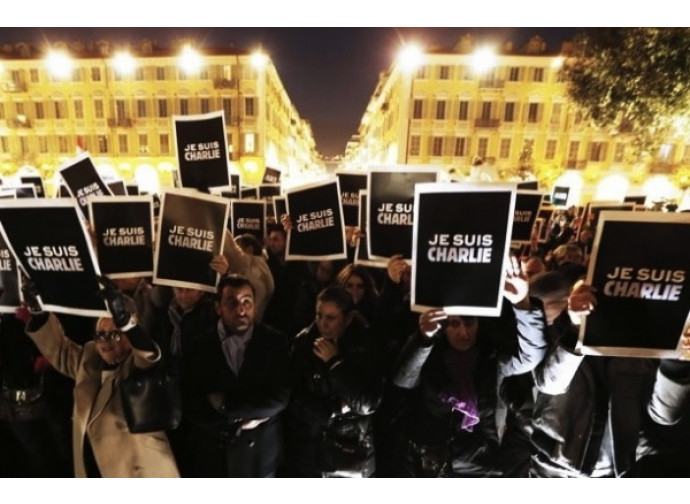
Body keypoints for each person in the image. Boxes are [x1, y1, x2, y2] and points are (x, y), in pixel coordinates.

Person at [392, 260, 547, 477]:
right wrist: (423, 339)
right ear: (443, 327)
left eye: (469, 322)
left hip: (484, 466)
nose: (463, 333)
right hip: (435, 465)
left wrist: (523, 304)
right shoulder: (431, 356)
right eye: (454, 325)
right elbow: (403, 378)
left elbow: (531, 356)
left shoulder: (493, 358)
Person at [21, 276, 179, 478]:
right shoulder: (89, 358)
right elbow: (59, 349)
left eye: (114, 334)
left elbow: (148, 355)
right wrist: (38, 311)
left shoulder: (139, 363)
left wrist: (126, 321)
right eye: (100, 335)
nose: (105, 343)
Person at [529, 281, 690, 477]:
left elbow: (663, 415)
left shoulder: (647, 342)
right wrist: (575, 328)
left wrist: (679, 360)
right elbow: (550, 384)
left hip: (617, 473)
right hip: (555, 468)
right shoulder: (565, 326)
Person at [183, 275, 291, 478]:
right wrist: (230, 427)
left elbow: (280, 396)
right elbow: (191, 401)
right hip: (214, 459)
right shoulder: (198, 346)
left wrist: (228, 406)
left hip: (260, 459)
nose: (241, 309)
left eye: (247, 302)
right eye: (232, 302)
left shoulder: (276, 342)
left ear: (255, 306)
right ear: (218, 307)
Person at [285, 286, 383, 477]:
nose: (323, 324)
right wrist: (333, 410)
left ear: (347, 319)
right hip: (309, 449)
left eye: (331, 318)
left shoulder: (364, 345)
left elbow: (367, 402)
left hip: (350, 451)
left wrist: (335, 364)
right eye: (319, 315)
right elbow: (293, 396)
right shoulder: (303, 343)